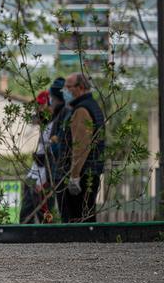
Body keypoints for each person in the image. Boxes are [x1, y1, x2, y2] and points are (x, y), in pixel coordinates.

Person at [51, 72, 106, 223]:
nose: (65, 91)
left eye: (68, 87)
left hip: (81, 176)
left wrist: (74, 176)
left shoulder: (81, 110)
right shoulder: (91, 106)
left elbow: (80, 146)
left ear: (80, 88)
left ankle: (79, 247)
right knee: (85, 218)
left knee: (76, 220)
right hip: (89, 172)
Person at [19, 85, 61, 224]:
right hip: (36, 170)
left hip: (45, 174)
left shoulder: (55, 124)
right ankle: (25, 232)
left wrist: (43, 180)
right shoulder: (46, 123)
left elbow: (51, 157)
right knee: (27, 207)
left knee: (45, 210)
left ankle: (47, 236)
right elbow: (33, 120)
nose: (39, 108)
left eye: (41, 105)